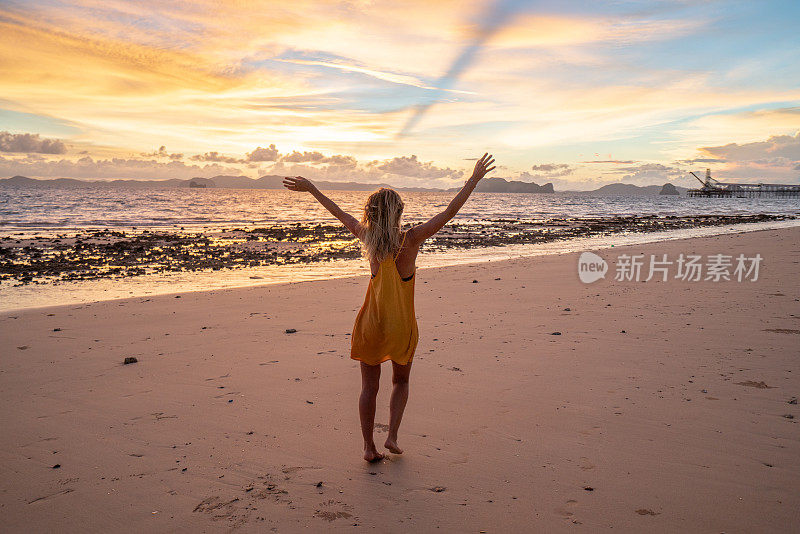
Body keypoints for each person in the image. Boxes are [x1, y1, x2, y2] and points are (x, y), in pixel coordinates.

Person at [283, 153, 496, 462]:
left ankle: (368, 447)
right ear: (398, 213)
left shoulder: (367, 237)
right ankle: (392, 437)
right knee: (401, 381)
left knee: (369, 388)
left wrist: (312, 188)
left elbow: (337, 211)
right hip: (401, 327)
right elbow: (449, 212)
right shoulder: (411, 239)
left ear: (371, 214)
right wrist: (474, 178)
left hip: (371, 324)